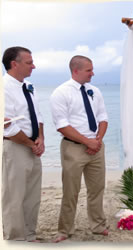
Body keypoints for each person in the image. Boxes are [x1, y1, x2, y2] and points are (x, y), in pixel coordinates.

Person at [50, 55, 109, 242]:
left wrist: (97, 140)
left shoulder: (95, 91)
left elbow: (103, 117)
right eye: (89, 70)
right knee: (70, 190)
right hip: (73, 148)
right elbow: (61, 125)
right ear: (76, 71)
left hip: (97, 147)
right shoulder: (61, 93)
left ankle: (98, 225)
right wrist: (87, 142)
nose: (93, 73)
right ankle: (65, 229)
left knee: (97, 188)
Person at [2, 46, 44, 242]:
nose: (33, 66)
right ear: (14, 64)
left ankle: (30, 234)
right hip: (15, 147)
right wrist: (30, 143)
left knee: (32, 196)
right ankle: (16, 239)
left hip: (32, 147)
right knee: (14, 196)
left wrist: (41, 139)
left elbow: (37, 116)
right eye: (29, 63)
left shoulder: (27, 86)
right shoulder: (4, 87)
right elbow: (7, 125)